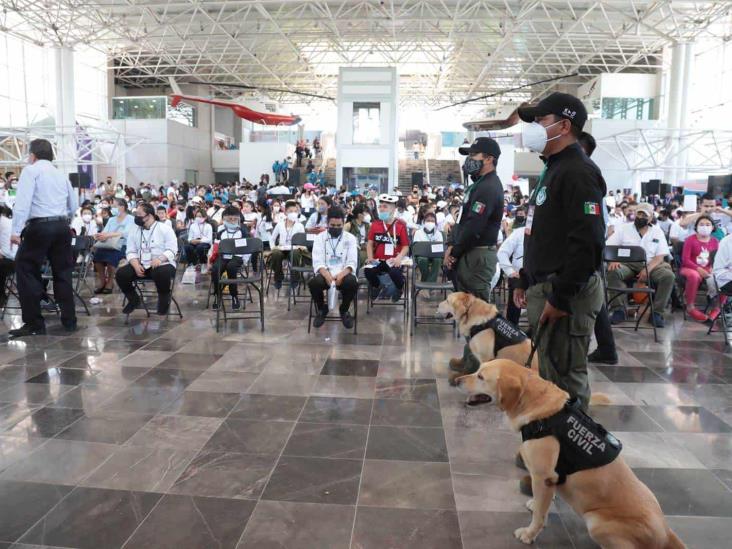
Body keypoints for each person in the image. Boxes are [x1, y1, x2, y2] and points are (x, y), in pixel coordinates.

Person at [514, 92, 606, 412]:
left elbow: (588, 241)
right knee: (550, 372)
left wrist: (561, 296)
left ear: (564, 125)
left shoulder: (578, 172)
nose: (534, 127)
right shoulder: (553, 168)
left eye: (541, 120)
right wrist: (527, 278)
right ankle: (554, 448)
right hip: (545, 285)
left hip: (566, 293)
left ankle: (572, 454)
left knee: (566, 378)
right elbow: (542, 232)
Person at [446, 137, 504, 380]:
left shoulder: (489, 187)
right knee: (470, 314)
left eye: (474, 156)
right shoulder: (480, 184)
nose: (469, 161)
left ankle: (482, 371)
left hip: (478, 254)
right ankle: (470, 360)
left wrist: (455, 251)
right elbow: (464, 223)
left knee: (479, 316)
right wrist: (453, 245)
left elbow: (474, 226)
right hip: (470, 251)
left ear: (488, 158)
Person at [10, 139, 79, 337]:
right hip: (62, 226)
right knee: (63, 272)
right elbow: (73, 205)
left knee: (25, 269)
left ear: (33, 155)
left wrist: (16, 230)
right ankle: (69, 321)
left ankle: (34, 323)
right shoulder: (60, 174)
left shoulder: (31, 171)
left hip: (40, 226)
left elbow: (23, 203)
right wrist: (65, 221)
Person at [577, 130, 618, 365]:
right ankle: (607, 348)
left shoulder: (586, 176)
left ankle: (606, 348)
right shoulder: (587, 174)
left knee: (594, 300)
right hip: (590, 249)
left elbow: (598, 224)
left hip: (586, 251)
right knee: (597, 300)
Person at [606, 202, 674, 327]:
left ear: (650, 217)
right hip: (627, 264)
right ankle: (619, 310)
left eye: (644, 215)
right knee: (613, 271)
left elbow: (660, 256)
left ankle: (657, 313)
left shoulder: (657, 232)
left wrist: (647, 269)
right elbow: (609, 246)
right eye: (639, 213)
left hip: (651, 264)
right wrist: (613, 260)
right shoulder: (624, 228)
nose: (640, 217)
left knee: (668, 276)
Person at [115, 202, 178, 315]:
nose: (136, 217)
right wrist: (135, 265)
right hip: (141, 264)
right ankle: (134, 299)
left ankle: (164, 300)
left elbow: (172, 249)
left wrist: (160, 259)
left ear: (149, 215)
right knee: (121, 274)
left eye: (139, 214)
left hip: (162, 264)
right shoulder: (135, 230)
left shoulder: (165, 229)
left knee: (161, 273)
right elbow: (130, 251)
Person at [309, 207, 359, 328]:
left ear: (343, 223)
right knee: (314, 283)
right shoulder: (320, 238)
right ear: (327, 224)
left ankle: (344, 310)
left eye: (338, 225)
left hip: (344, 272)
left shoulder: (350, 238)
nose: (335, 228)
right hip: (325, 271)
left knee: (352, 282)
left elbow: (352, 261)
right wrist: (327, 275)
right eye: (332, 225)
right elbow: (317, 260)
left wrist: (342, 275)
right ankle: (322, 309)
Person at [365, 194, 410, 301]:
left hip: (394, 260)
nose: (381, 209)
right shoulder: (375, 225)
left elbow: (405, 246)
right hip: (378, 260)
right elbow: (370, 244)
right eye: (380, 206)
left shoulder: (400, 225)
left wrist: (399, 258)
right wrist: (370, 257)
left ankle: (399, 289)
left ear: (393, 209)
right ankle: (377, 287)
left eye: (385, 207)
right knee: (368, 271)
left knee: (395, 273)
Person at [680, 214, 719, 322]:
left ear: (712, 227)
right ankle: (690, 306)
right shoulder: (690, 240)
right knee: (694, 276)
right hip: (689, 268)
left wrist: (711, 268)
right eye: (701, 224)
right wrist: (698, 269)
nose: (704, 226)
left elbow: (716, 259)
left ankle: (718, 308)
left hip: (708, 269)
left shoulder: (715, 241)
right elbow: (685, 260)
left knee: (723, 277)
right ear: (696, 226)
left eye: (708, 224)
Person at [210, 206, 250, 310]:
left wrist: (245, 260)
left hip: (237, 256)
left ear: (239, 219)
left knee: (231, 267)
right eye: (229, 219)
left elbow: (247, 247)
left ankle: (234, 295)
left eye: (234, 219)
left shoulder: (242, 231)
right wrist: (210, 259)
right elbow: (215, 246)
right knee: (215, 269)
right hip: (223, 256)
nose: (232, 221)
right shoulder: (221, 230)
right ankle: (217, 295)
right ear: (224, 219)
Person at [497, 209, 525, 325]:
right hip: (518, 275)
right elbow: (502, 253)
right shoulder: (519, 233)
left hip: (540, 279)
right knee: (512, 314)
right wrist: (510, 271)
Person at [269, 200, 305, 289]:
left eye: (295, 211)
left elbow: (303, 241)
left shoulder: (299, 226)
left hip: (294, 249)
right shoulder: (280, 224)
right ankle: (278, 278)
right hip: (281, 248)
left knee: (295, 253)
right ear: (285, 212)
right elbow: (272, 239)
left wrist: (300, 247)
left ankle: (295, 278)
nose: (293, 213)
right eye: (290, 211)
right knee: (276, 253)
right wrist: (273, 247)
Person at [412, 211, 444, 282]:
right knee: (423, 259)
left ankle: (431, 283)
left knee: (438, 260)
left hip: (435, 256)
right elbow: (416, 247)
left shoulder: (438, 234)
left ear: (435, 223)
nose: (430, 222)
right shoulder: (418, 233)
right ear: (424, 222)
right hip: (421, 256)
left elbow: (440, 248)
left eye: (432, 221)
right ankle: (425, 280)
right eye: (428, 220)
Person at [0, 204, 17, 308]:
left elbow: (6, 252)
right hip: (12, 259)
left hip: (11, 260)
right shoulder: (4, 221)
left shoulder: (3, 223)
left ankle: (1, 297)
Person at [344, 203, 370, 268]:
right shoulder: (349, 225)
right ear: (359, 214)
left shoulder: (368, 226)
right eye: (365, 213)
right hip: (352, 249)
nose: (367, 215)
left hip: (365, 249)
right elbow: (342, 238)